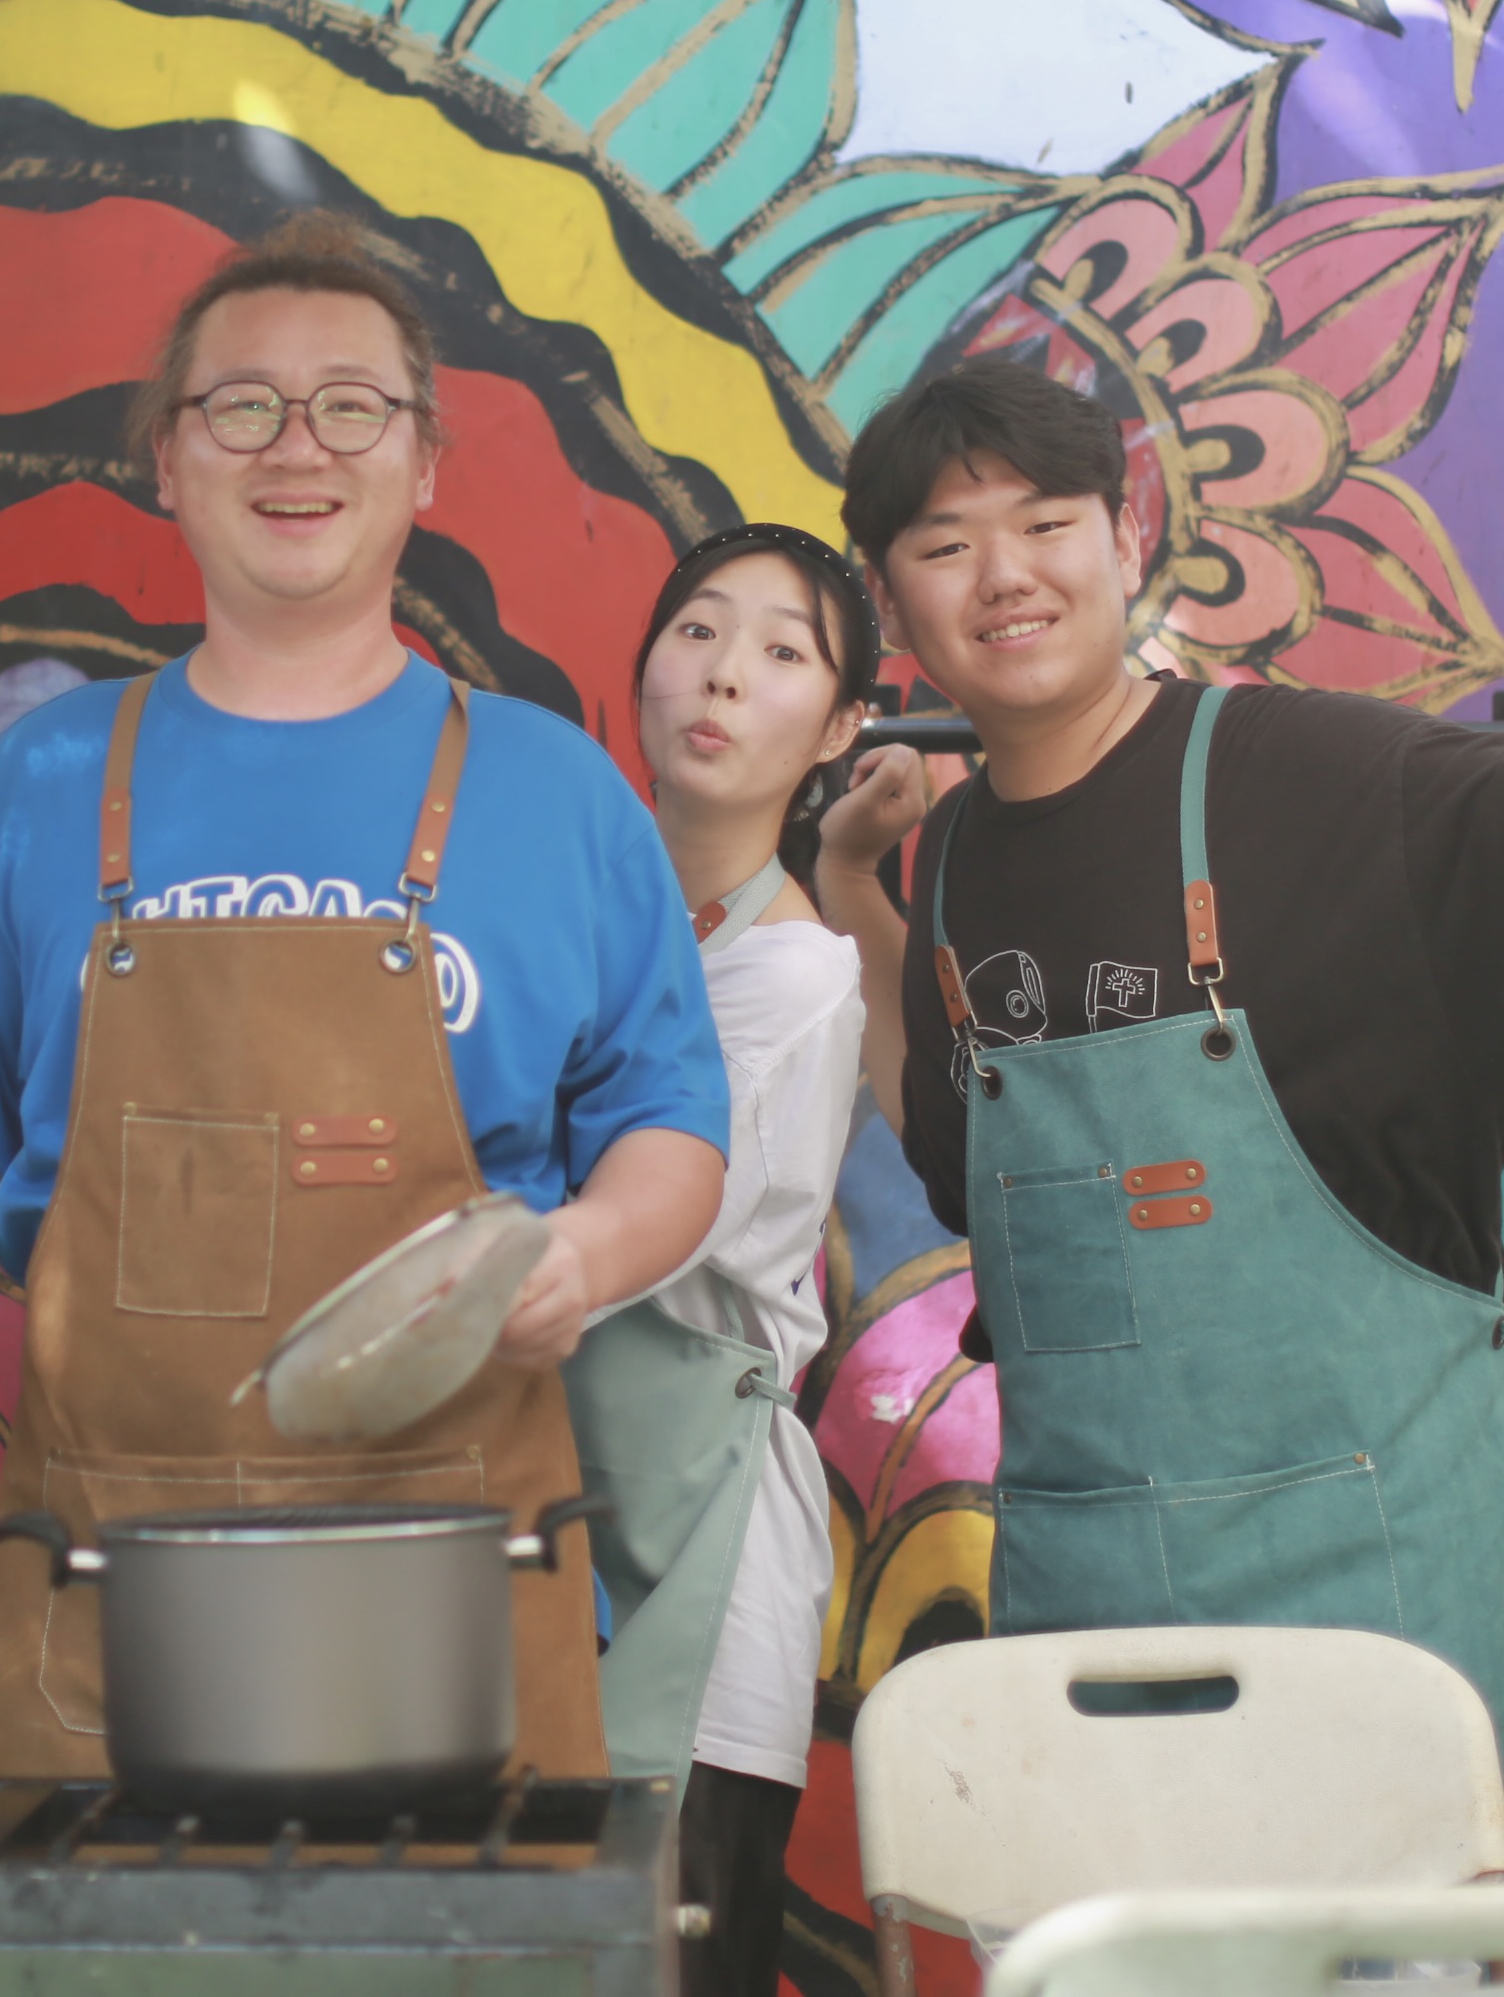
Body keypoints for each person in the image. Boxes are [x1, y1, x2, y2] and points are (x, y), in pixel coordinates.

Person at [809, 359, 1504, 1872]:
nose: (1005, 575)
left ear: (1126, 538)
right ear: (896, 608)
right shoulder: (955, 864)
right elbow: (952, 1146)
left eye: (1044, 523)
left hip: (1378, 1591)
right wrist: (850, 886)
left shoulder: (1300, 775)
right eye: (948, 545)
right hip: (1099, 1633)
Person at [0, 214, 731, 1781]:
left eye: (352, 405)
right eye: (243, 406)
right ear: (167, 460)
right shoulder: (43, 777)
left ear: (425, 464)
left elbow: (671, 1121)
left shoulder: (556, 789)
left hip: (457, 1569)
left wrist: (588, 1250)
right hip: (115, 1574)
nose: (298, 447)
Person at [582, 525, 873, 1997]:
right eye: (697, 630)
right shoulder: (578, 912)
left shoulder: (795, 973)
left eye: (781, 651)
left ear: (839, 729)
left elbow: (645, 1224)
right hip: (544, 1509)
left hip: (699, 1538)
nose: (723, 675)